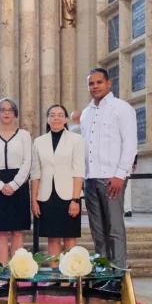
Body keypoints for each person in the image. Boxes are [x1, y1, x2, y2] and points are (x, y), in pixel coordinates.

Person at [80, 68, 137, 290]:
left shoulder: (121, 108)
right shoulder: (86, 113)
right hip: (90, 178)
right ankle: (103, 273)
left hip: (111, 178)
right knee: (97, 230)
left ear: (109, 83)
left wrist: (120, 174)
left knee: (114, 228)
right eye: (91, 83)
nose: (95, 86)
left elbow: (130, 143)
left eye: (99, 82)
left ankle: (119, 277)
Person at [0, 98, 32, 266]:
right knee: (1, 232)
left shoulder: (24, 136)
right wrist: (1, 186)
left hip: (19, 185)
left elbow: (27, 162)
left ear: (15, 113)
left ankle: (17, 271)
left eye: (10, 109)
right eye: (3, 109)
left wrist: (15, 184)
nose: (7, 112)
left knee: (17, 232)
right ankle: (3, 272)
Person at [30, 105, 85, 260]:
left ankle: (68, 279)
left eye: (60, 115)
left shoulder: (76, 139)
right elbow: (35, 172)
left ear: (66, 119)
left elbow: (78, 171)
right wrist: (34, 200)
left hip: (69, 195)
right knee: (52, 238)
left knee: (69, 237)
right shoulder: (39, 142)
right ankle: (55, 277)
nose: (56, 118)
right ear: (48, 119)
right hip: (46, 196)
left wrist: (75, 199)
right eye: (52, 115)